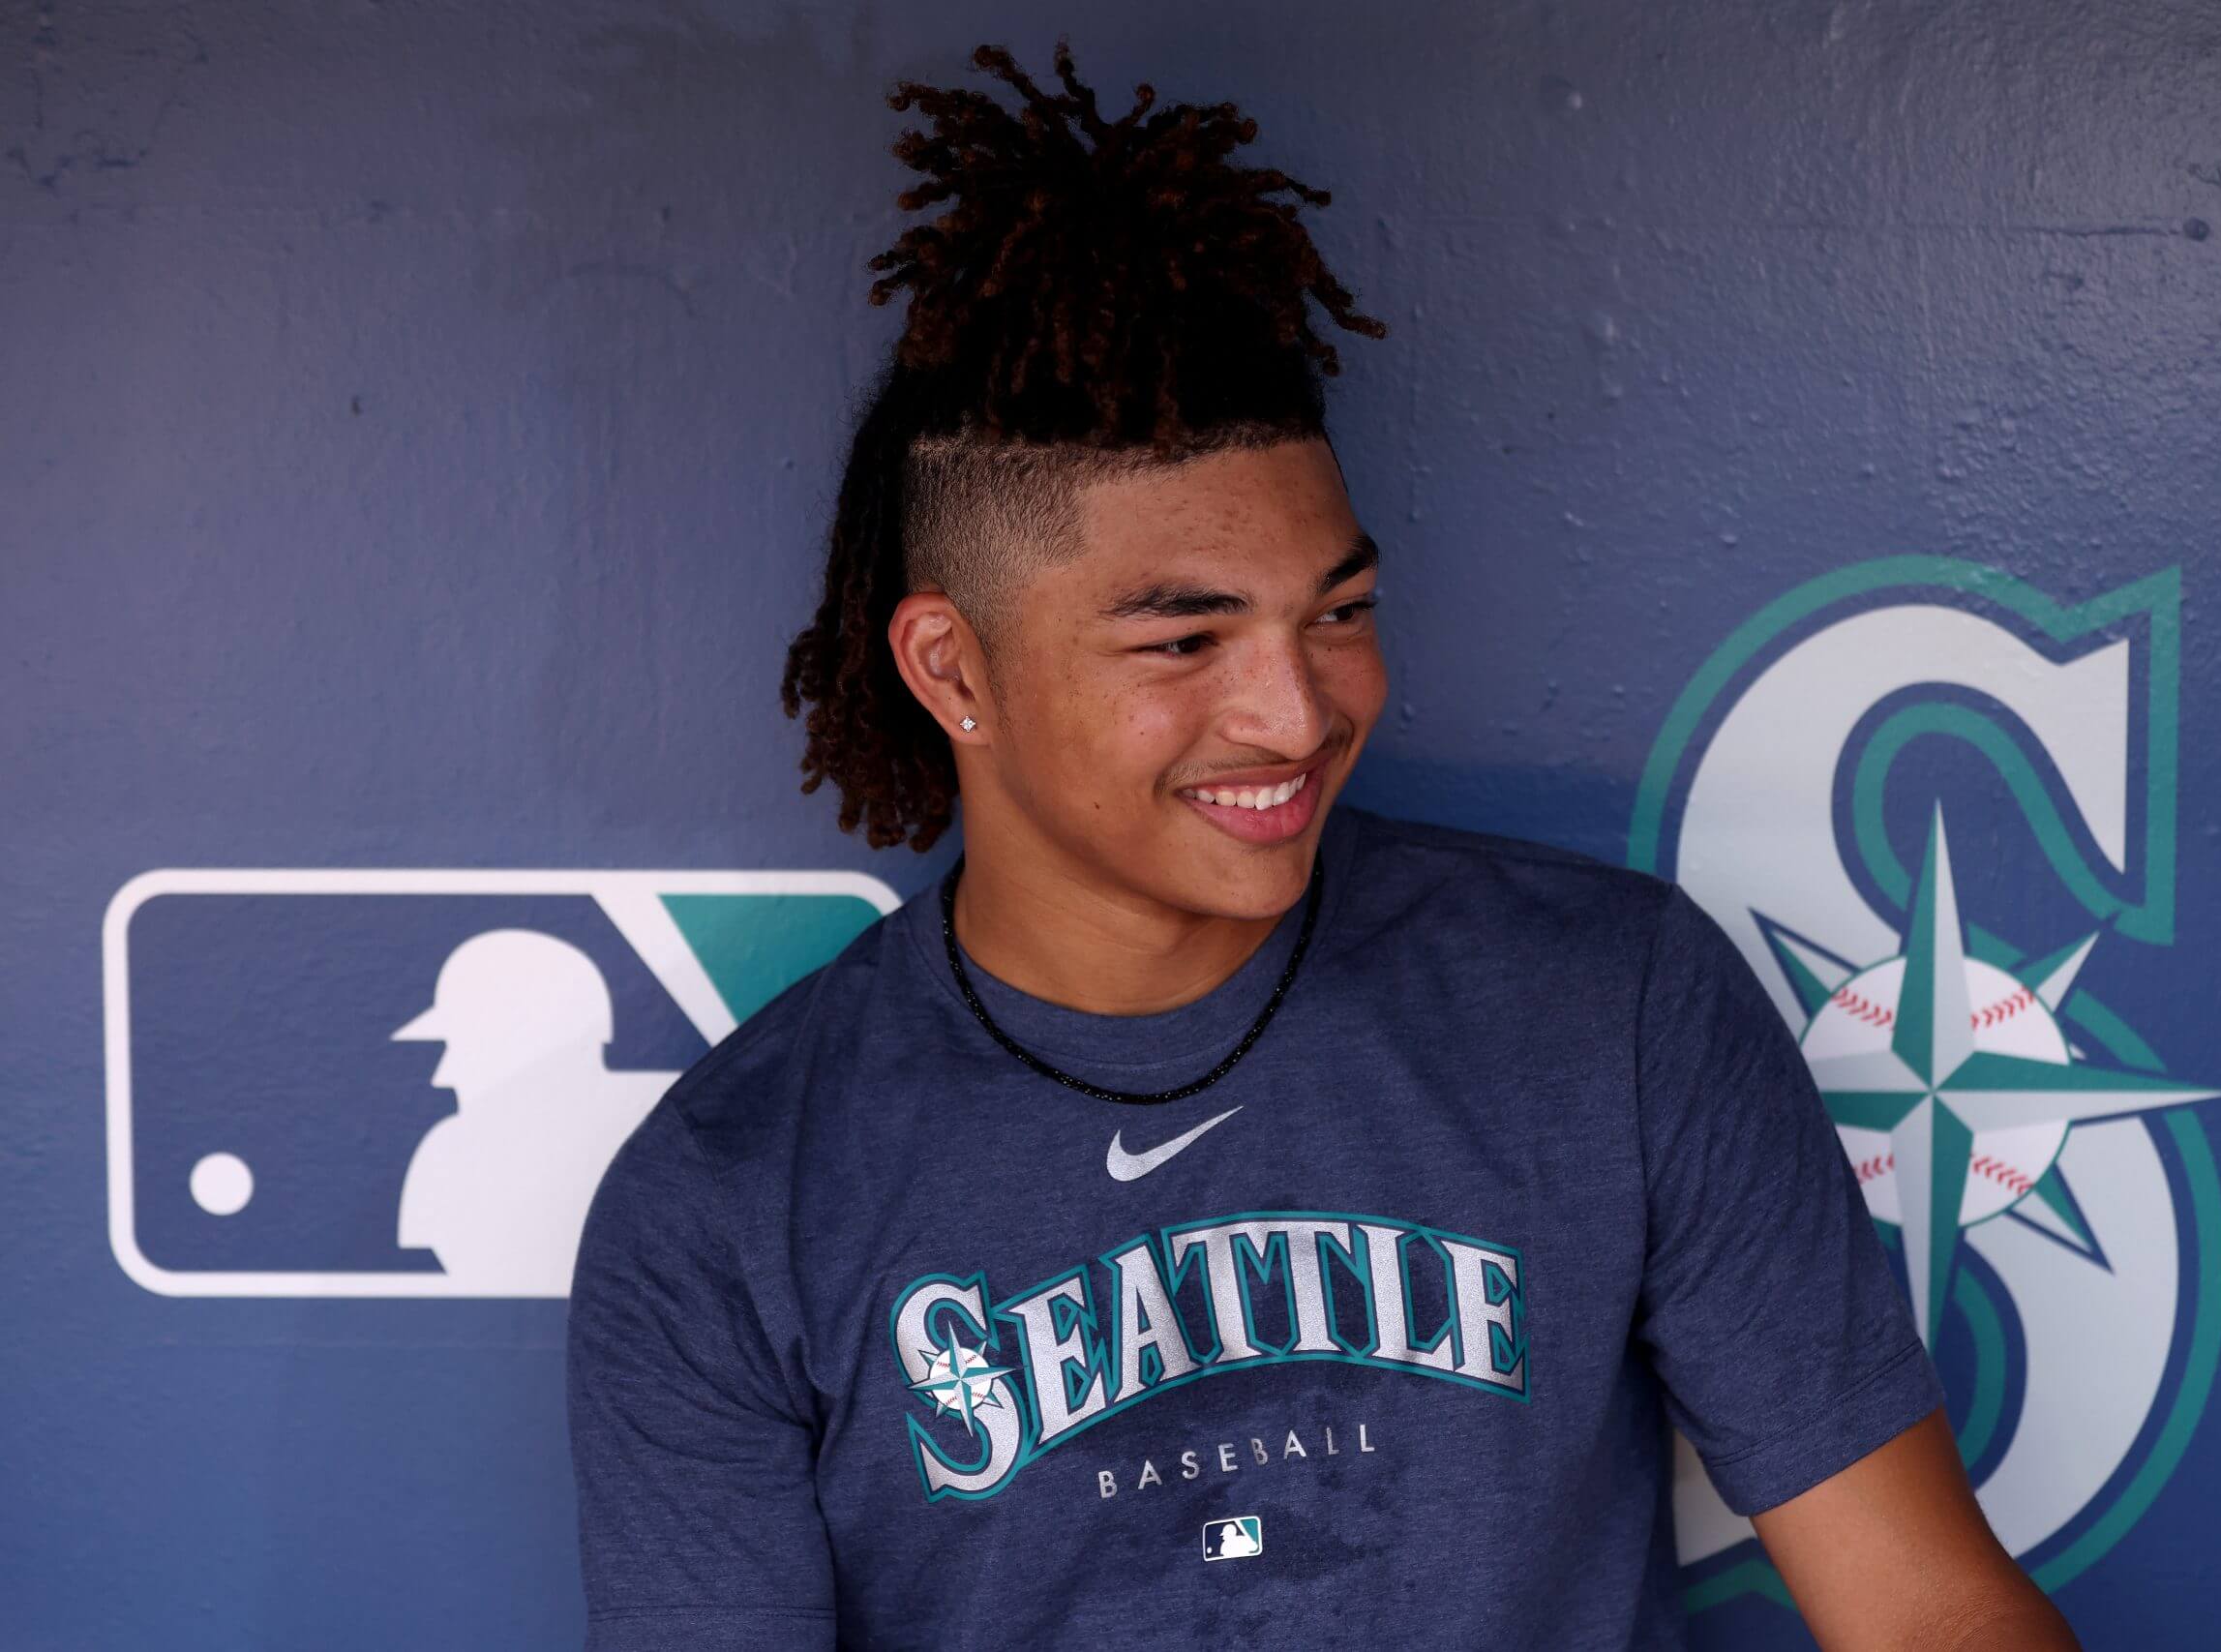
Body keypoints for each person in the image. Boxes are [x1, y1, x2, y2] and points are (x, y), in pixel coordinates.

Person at [564, 38, 2079, 1651]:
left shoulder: (1608, 1006)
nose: (1297, 714)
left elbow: (1925, 1608)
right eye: (1184, 642)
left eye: (1337, 612)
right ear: (953, 670)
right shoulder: (729, 1200)